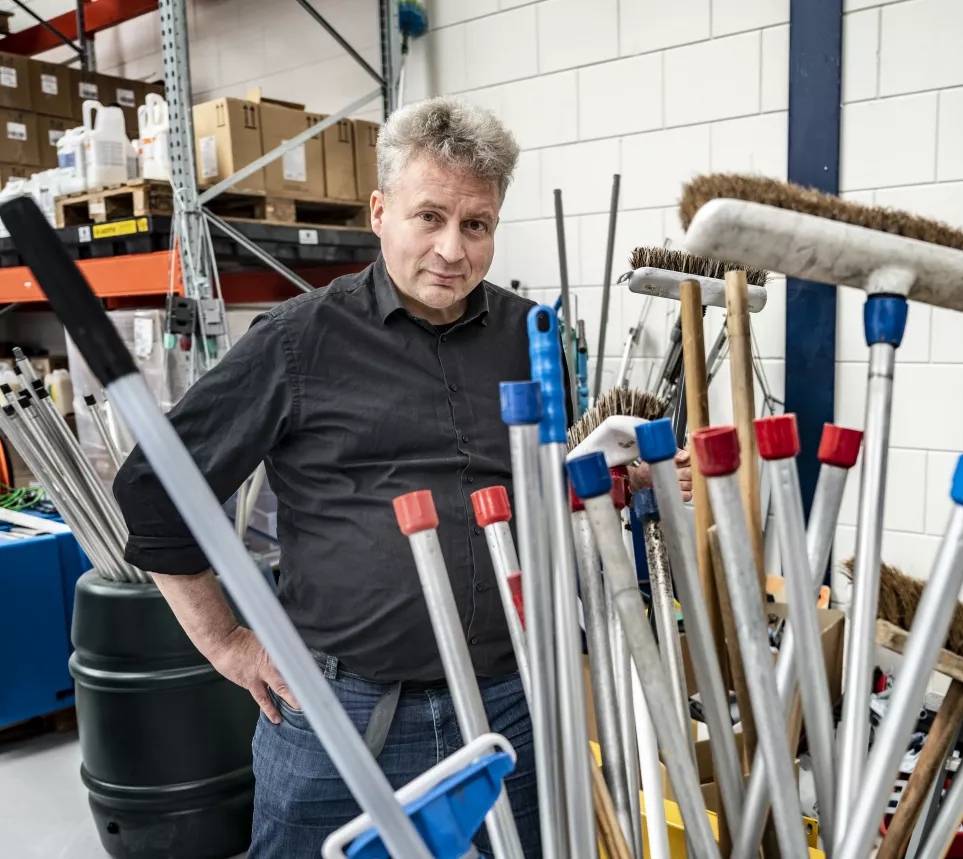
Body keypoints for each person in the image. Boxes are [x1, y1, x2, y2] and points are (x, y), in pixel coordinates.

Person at [112, 97, 691, 859]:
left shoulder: (530, 336)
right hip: (334, 712)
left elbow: (540, 488)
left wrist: (624, 482)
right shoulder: (297, 340)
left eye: (476, 224)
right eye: (430, 217)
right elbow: (155, 486)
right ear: (380, 212)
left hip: (504, 704)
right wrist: (228, 642)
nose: (453, 248)